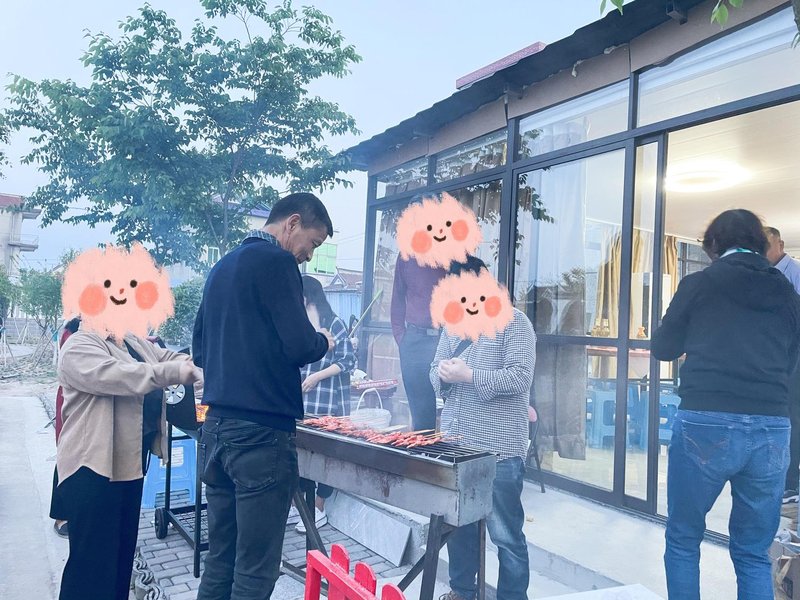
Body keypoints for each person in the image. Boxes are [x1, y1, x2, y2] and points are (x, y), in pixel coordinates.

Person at [193, 192, 335, 600]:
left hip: (216, 431)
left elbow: (200, 350)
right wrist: (322, 341)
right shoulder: (277, 262)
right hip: (260, 437)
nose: (309, 256)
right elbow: (298, 345)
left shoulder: (221, 267)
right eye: (313, 242)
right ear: (292, 223)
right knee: (255, 570)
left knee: (221, 559)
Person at [653, 209, 800, 600]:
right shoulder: (787, 292)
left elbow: (664, 348)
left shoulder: (700, 284)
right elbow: (791, 362)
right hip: (771, 425)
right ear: (760, 243)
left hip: (707, 421)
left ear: (714, 244)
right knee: (753, 552)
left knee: (684, 538)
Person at [57, 330, 201, 600]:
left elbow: (168, 357)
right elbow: (122, 375)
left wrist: (199, 364)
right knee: (91, 569)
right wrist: (175, 372)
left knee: (120, 562)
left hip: (130, 466)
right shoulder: (80, 345)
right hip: (92, 469)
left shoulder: (134, 343)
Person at [430, 258, 534, 600]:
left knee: (506, 536)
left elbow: (520, 377)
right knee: (459, 526)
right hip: (456, 446)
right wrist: (443, 376)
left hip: (499, 451)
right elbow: (433, 370)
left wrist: (469, 376)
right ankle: (462, 592)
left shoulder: (515, 322)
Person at [290, 275, 356, 534]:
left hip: (329, 403)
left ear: (308, 296)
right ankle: (299, 506)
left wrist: (317, 376)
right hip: (302, 403)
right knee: (301, 455)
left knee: (327, 458)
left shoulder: (333, 323)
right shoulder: (298, 322)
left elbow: (348, 361)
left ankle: (319, 507)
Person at [391, 254, 447, 430]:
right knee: (421, 416)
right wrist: (402, 338)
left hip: (448, 338)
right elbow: (397, 297)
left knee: (456, 407)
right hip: (415, 341)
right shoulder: (407, 255)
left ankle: (452, 447)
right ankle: (423, 446)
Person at [766, 226, 800, 504]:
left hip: (794, 358)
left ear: (780, 245)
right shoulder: (764, 276)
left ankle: (790, 484)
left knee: (792, 417)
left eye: (767, 245)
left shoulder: (795, 274)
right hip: (775, 358)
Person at [50, 316, 81, 539]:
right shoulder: (72, 332)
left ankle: (77, 512)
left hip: (85, 401)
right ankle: (61, 515)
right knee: (67, 453)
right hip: (71, 400)